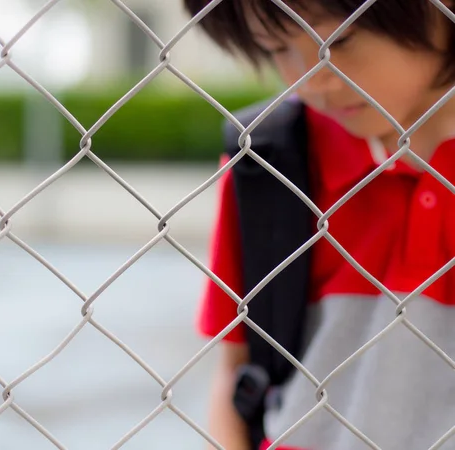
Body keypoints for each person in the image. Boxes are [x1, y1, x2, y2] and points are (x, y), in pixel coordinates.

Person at [182, 1, 455, 449]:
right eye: (277, 48)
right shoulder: (271, 163)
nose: (312, 78)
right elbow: (235, 369)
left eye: (338, 42)